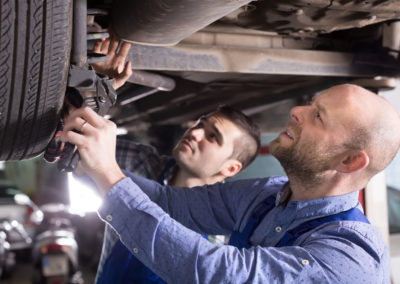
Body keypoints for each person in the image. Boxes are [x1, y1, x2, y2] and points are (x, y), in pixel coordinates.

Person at [62, 84, 400, 281]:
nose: (297, 110)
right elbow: (170, 204)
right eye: (310, 104)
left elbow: (220, 273)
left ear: (349, 161)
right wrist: (87, 157)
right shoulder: (267, 195)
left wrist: (109, 174)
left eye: (317, 116)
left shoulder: (351, 258)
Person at [89, 35, 261, 283]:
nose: (195, 132)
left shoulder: (222, 240)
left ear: (231, 168)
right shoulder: (142, 164)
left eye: (213, 137)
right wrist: (97, 91)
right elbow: (77, 143)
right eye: (201, 123)